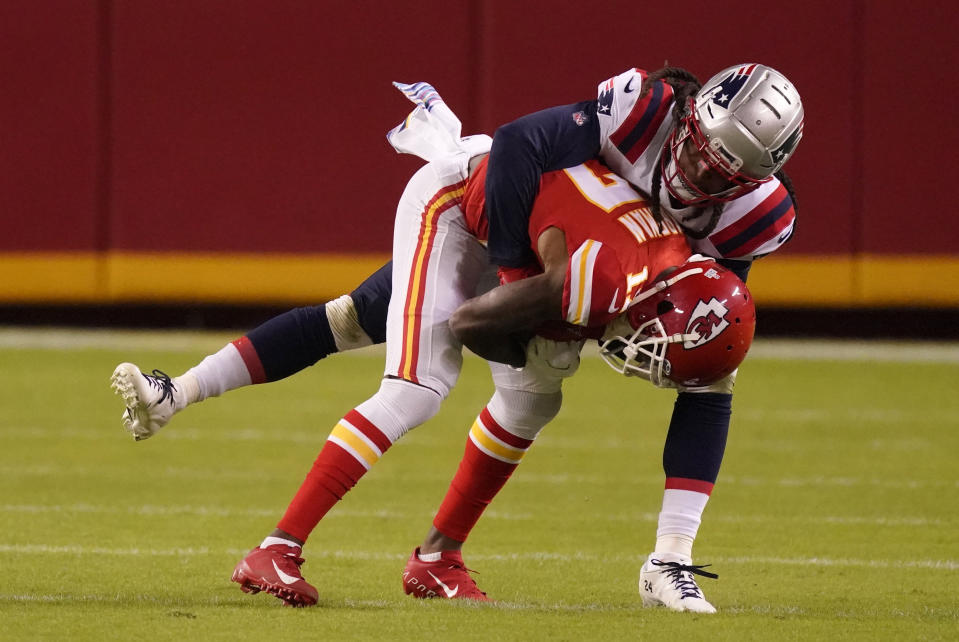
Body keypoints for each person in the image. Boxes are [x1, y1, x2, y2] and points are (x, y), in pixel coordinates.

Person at [111, 82, 753, 610]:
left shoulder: (665, 264)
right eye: (659, 346)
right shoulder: (605, 270)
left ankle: (438, 559)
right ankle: (277, 547)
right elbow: (477, 322)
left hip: (537, 237)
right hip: (463, 205)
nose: (651, 359)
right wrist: (543, 322)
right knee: (417, 386)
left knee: (504, 391)